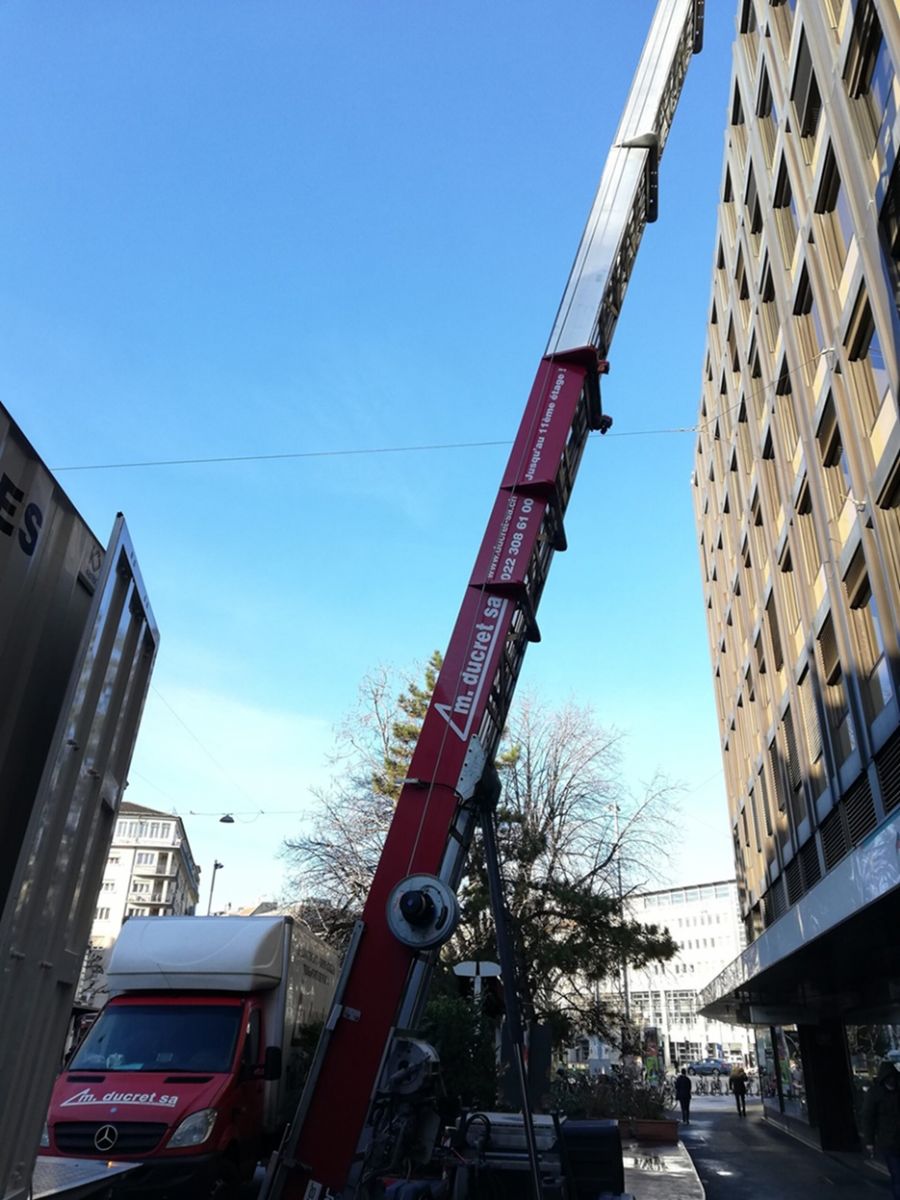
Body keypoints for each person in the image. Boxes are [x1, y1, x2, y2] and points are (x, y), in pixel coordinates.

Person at [863, 1058, 900, 1198]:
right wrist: (869, 1141)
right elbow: (868, 1118)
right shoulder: (875, 1093)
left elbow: (867, 1117)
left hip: (888, 1140)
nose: (892, 1081)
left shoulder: (875, 1093)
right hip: (889, 1142)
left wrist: (869, 1141)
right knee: (897, 1176)